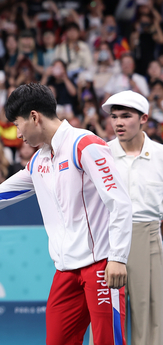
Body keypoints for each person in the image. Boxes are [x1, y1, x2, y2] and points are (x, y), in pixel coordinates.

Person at [0, 83, 132, 345]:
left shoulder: (85, 144)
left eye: (17, 124)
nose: (17, 134)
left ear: (34, 116)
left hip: (101, 266)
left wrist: (118, 257)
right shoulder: (38, 161)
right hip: (65, 271)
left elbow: (119, 202)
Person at [103, 90, 163, 345]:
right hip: (107, 240)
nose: (118, 122)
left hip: (148, 238)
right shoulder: (99, 154)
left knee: (150, 319)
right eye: (114, 116)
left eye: (126, 116)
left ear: (144, 119)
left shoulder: (161, 155)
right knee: (105, 318)